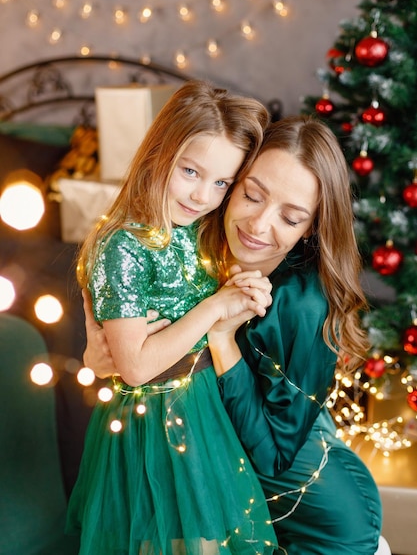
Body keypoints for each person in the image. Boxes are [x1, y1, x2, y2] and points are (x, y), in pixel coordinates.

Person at [83, 115, 383, 554]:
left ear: (313, 226)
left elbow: (272, 456)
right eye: (251, 194)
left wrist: (222, 339)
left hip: (315, 516)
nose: (259, 225)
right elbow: (139, 347)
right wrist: (100, 357)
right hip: (223, 499)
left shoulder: (300, 303)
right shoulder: (197, 236)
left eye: (291, 216)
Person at [66, 80, 277, 555]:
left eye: (222, 182)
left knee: (212, 539)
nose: (204, 194)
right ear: (158, 151)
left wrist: (240, 291)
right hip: (155, 422)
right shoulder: (123, 244)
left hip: (201, 407)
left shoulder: (199, 229)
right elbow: (137, 367)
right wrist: (215, 307)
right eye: (190, 171)